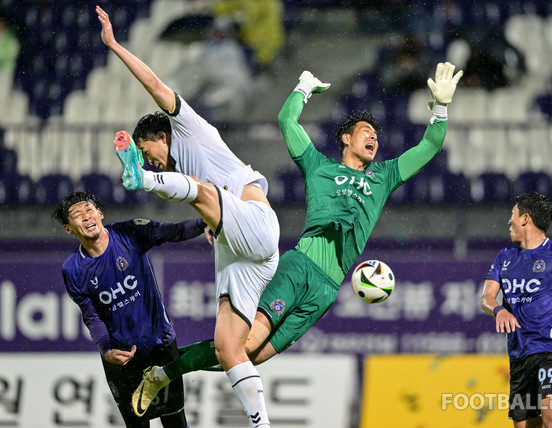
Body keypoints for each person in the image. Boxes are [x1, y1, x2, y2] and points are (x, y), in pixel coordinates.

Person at [131, 62, 464, 406]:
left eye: (376, 135)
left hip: (328, 289)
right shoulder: (318, 166)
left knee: (254, 357)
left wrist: (440, 108)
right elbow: (287, 122)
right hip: (300, 266)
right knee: (242, 346)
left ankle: (165, 370)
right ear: (346, 139)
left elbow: (430, 147)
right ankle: (161, 372)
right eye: (366, 131)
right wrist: (303, 87)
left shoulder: (385, 176)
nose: (374, 137)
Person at [96, 7, 279, 428]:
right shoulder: (180, 171)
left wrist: (115, 46)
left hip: (256, 221)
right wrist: (215, 226)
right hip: (241, 249)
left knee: (200, 189)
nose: (152, 158)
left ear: (162, 136)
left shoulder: (189, 129)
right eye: (144, 160)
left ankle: (135, 179)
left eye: (147, 153)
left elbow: (155, 83)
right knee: (228, 348)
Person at [52, 191, 203, 427]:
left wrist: (209, 222)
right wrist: (106, 349)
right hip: (122, 358)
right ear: (68, 229)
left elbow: (177, 231)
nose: (86, 216)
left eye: (89, 209)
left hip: (160, 346)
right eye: (76, 215)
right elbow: (91, 316)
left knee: (175, 423)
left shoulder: (129, 233)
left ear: (100, 214)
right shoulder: (72, 269)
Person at [481, 192, 552, 427]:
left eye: (512, 214)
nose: (508, 220)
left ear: (525, 218)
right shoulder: (504, 257)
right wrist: (499, 310)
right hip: (519, 358)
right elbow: (486, 297)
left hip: (550, 352)